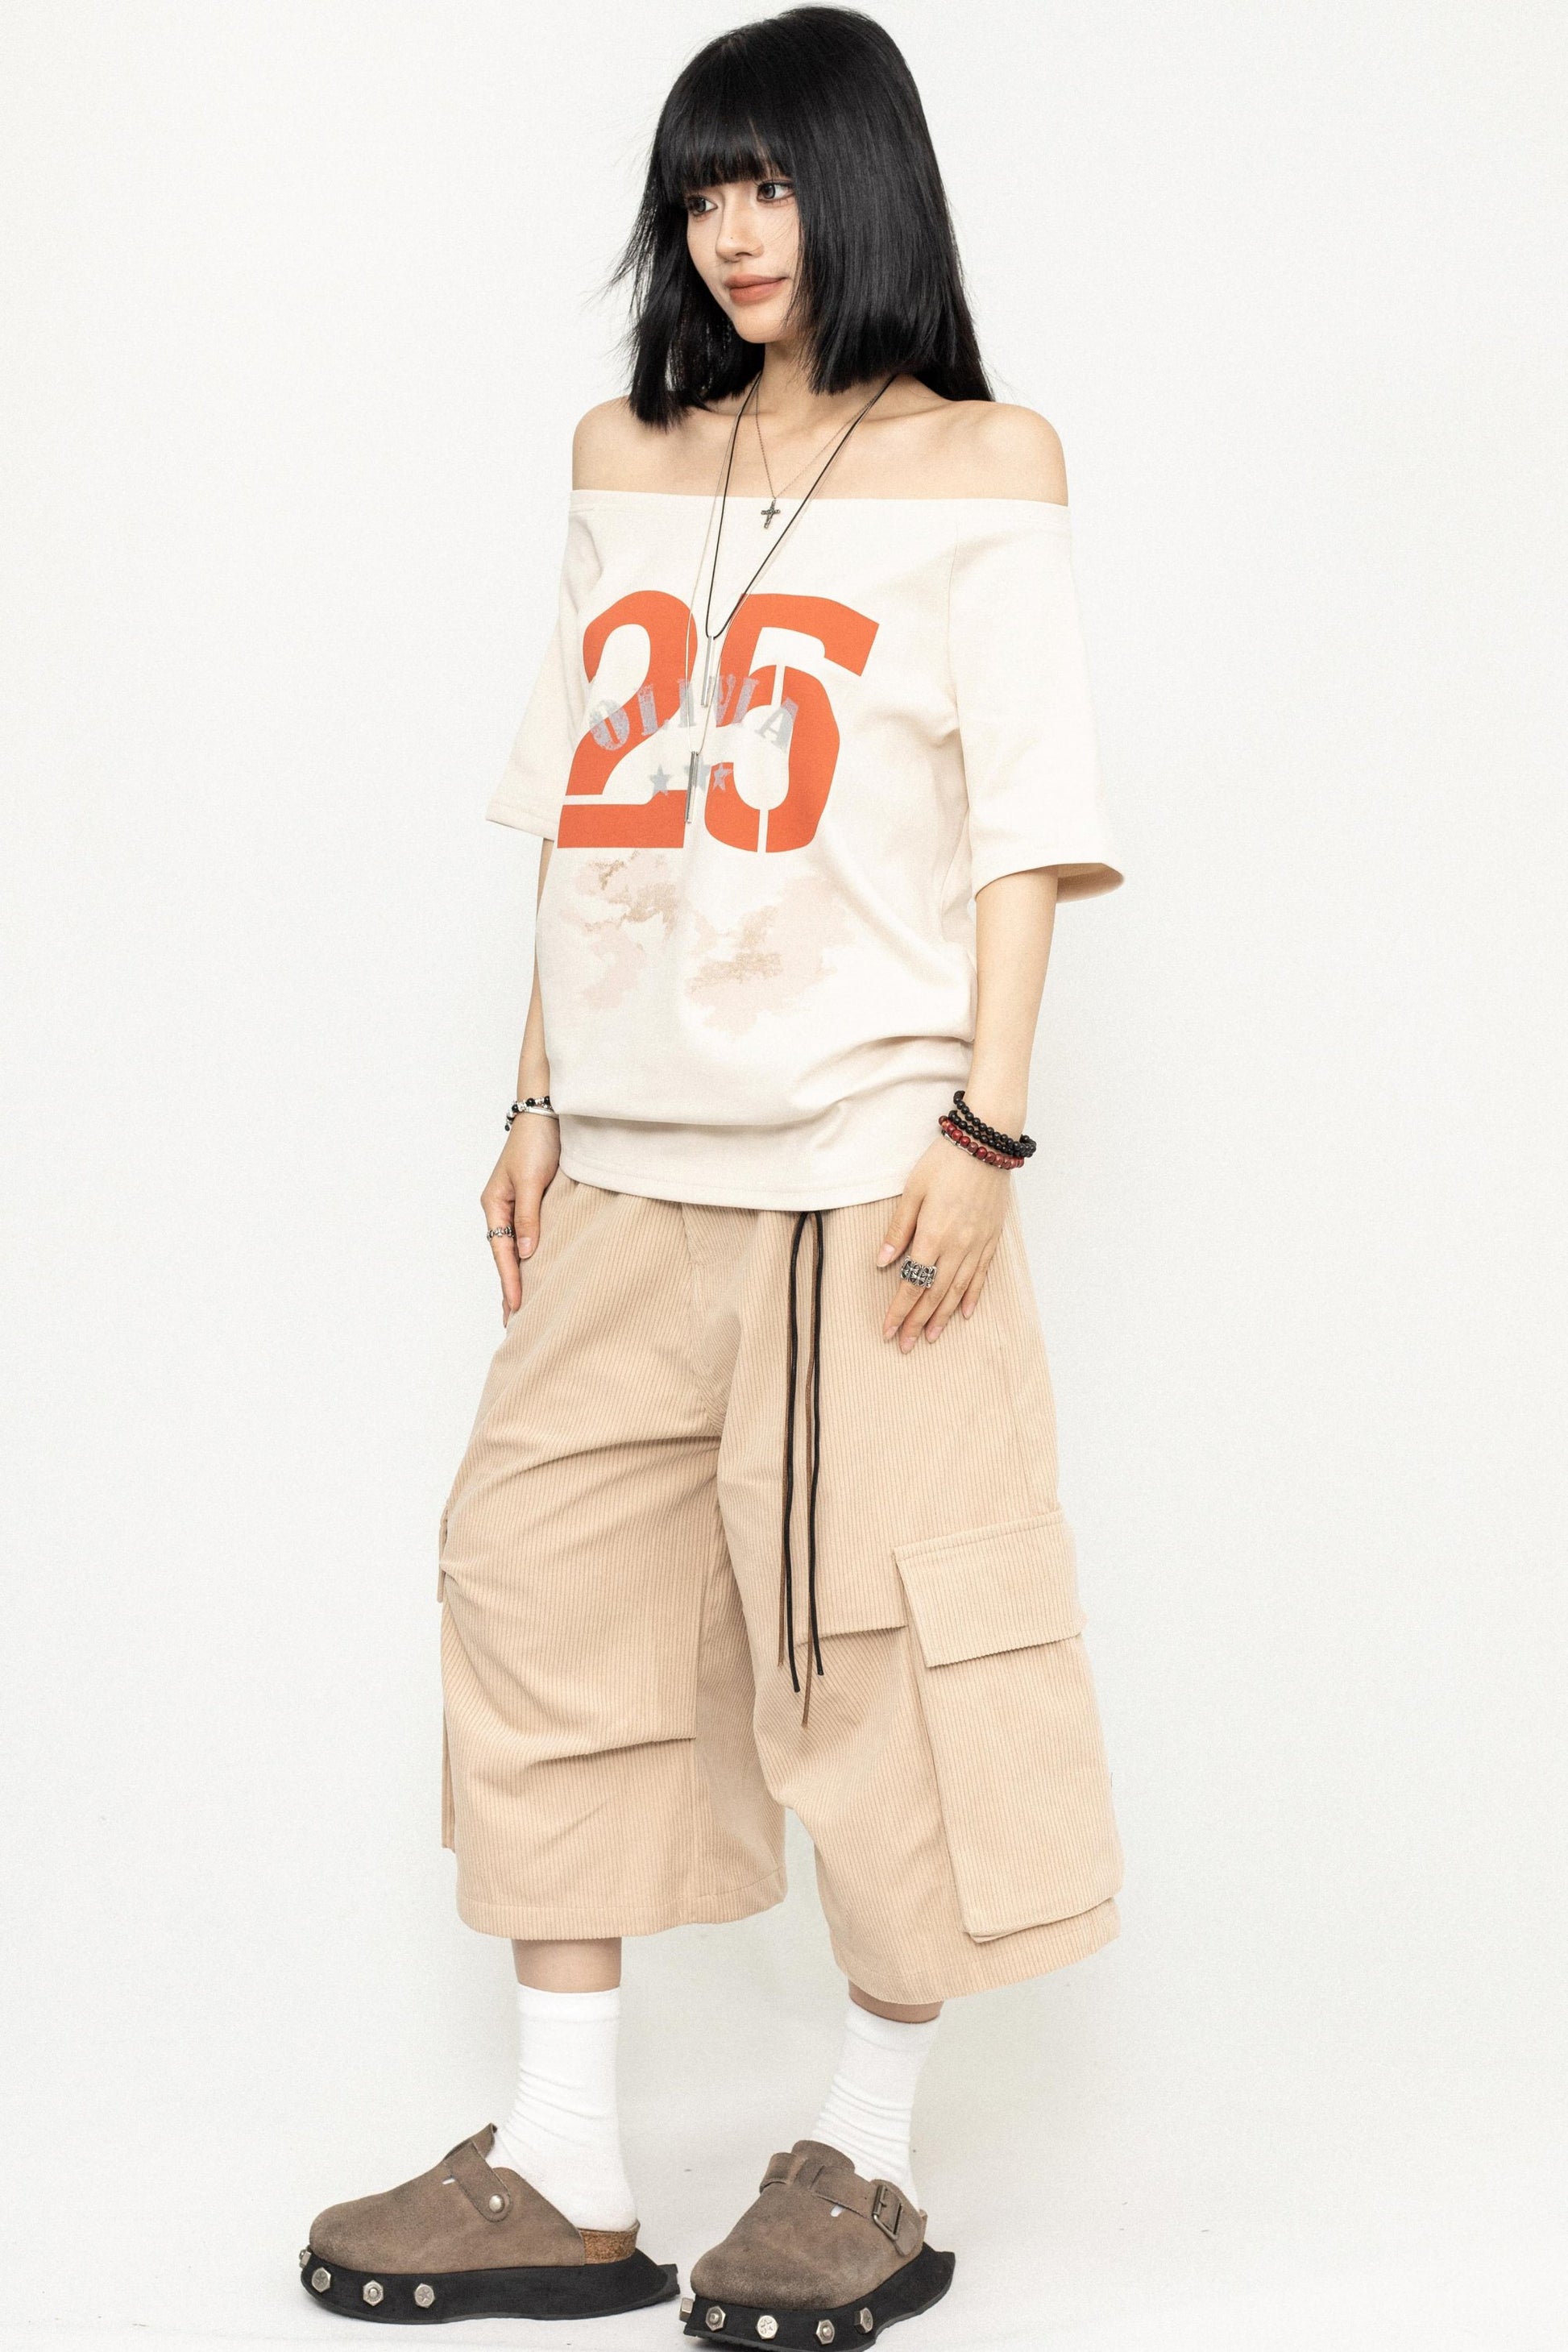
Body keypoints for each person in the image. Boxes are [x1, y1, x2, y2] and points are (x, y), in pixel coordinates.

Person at [300, 8, 1123, 2342]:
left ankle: (865, 2154)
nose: (733, 233)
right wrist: (532, 1100)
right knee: (536, 1590)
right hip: (627, 1165)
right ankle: (566, 2167)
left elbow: (1025, 830)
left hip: (866, 1164)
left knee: (886, 1648)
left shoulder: (985, 461)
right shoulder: (625, 454)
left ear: (862, 188)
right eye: (699, 192)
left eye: (769, 182)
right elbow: (589, 809)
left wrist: (982, 1128)